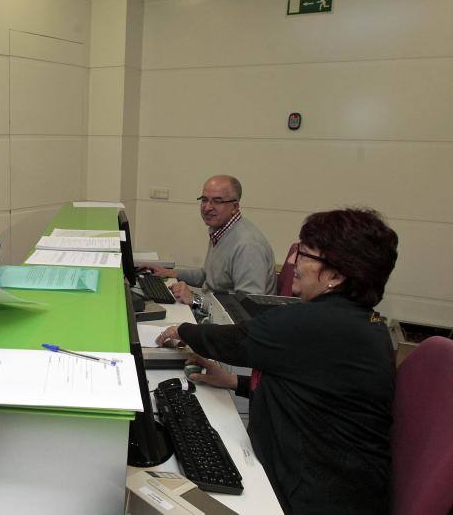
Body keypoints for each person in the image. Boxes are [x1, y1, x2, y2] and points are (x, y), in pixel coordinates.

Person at [156, 208, 398, 514]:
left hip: (316, 497)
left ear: (336, 275)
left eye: (306, 255)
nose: (294, 264)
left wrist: (182, 330)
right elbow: (316, 401)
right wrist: (233, 382)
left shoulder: (313, 323)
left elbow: (233, 341)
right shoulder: (364, 324)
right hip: (343, 483)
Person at [145, 175, 275, 311]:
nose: (207, 207)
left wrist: (195, 300)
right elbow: (208, 276)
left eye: (217, 201)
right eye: (204, 200)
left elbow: (246, 308)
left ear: (234, 207)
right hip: (214, 315)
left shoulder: (248, 246)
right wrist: (171, 273)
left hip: (230, 325)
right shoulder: (220, 230)